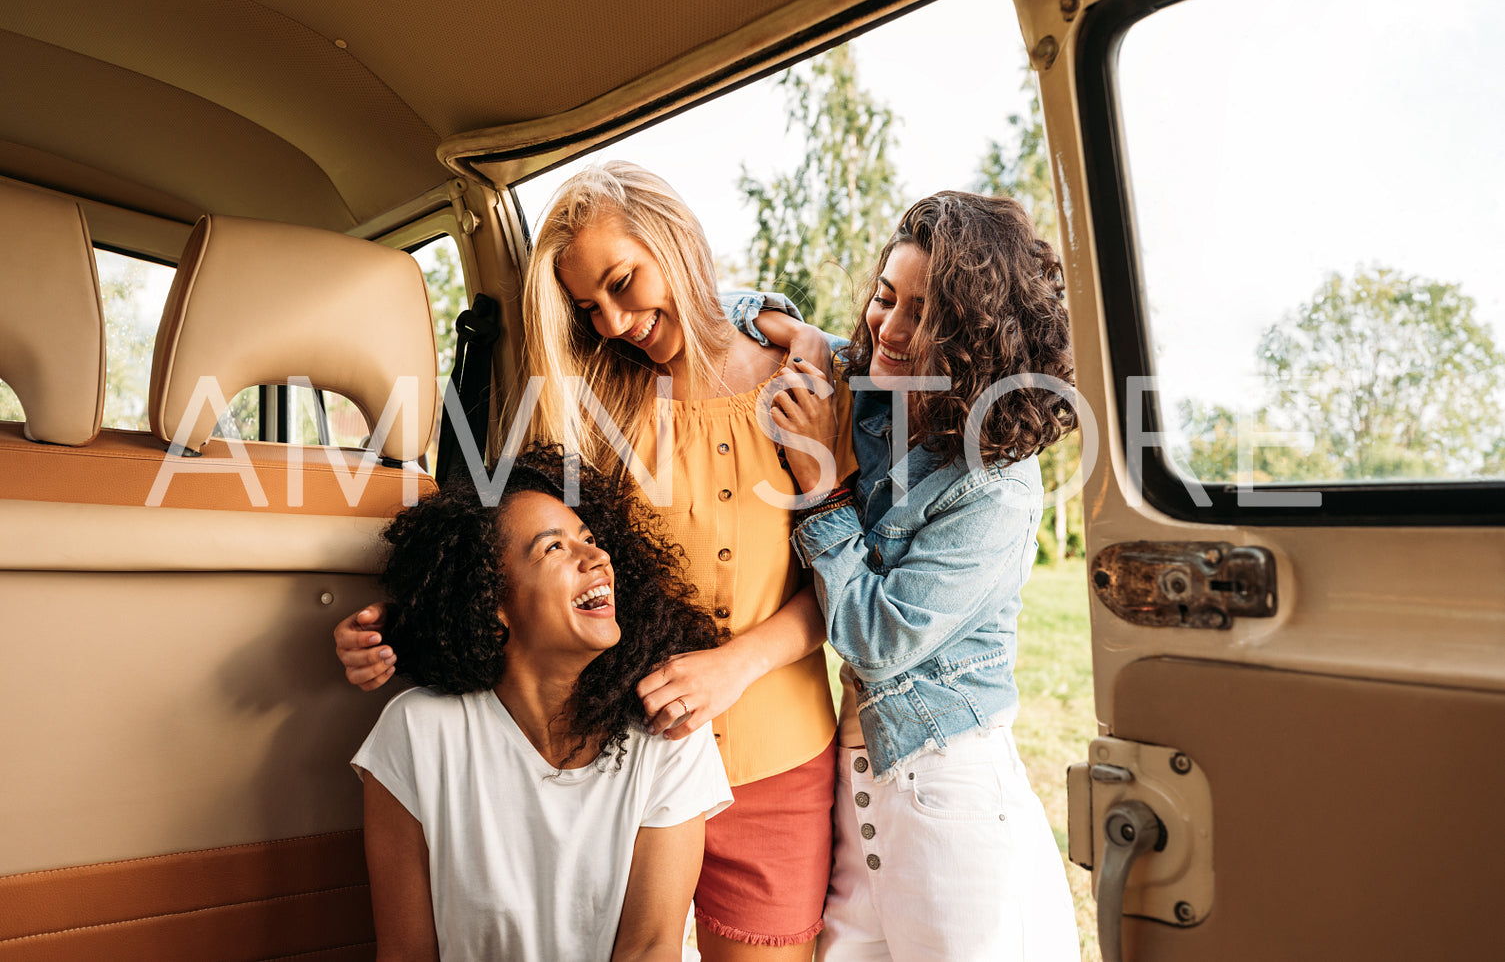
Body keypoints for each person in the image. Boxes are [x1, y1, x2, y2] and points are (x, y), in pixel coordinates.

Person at [338, 161, 855, 959]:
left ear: (674, 238)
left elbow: (845, 577)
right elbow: (522, 562)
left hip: (776, 758)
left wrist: (733, 667)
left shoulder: (801, 383)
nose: (612, 321)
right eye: (589, 307)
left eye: (623, 282)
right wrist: (399, 630)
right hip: (625, 758)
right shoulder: (597, 411)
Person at [745, 191, 1081, 960]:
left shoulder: (996, 483)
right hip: (858, 771)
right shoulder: (870, 390)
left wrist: (825, 486)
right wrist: (789, 325)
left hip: (944, 781)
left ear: (975, 333)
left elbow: (875, 637)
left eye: (922, 313)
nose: (887, 328)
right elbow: (727, 309)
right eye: (883, 297)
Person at [352, 444, 732, 961]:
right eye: (553, 548)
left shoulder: (668, 731)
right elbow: (405, 953)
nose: (597, 558)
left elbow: (651, 946)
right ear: (493, 599)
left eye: (591, 540)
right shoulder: (416, 733)